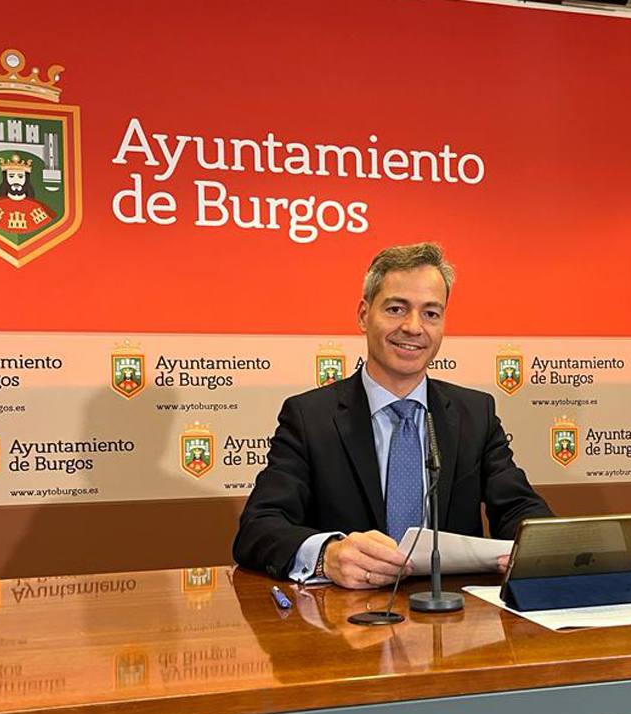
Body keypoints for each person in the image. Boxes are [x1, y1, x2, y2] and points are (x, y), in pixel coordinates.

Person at [232, 242, 552, 589]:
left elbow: (519, 508)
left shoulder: (475, 413)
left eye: (431, 313)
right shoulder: (310, 418)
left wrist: (540, 551)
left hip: (453, 621)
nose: (414, 327)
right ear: (363, 315)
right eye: (397, 309)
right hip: (346, 623)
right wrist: (328, 556)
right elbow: (259, 528)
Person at [0, 155, 55, 234]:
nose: (16, 180)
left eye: (20, 176)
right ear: (5, 179)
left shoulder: (40, 207)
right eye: (11, 176)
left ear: (26, 179)